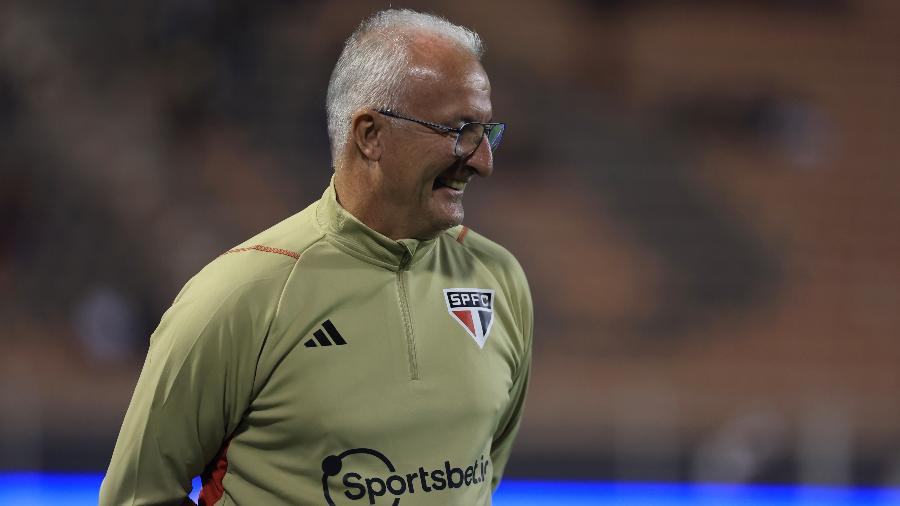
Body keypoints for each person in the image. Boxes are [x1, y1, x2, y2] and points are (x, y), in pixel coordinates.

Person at [100, 8, 532, 506]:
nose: (483, 160)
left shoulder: (499, 280)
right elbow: (137, 497)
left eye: (486, 132)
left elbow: (479, 477)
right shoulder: (240, 295)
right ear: (370, 135)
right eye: (459, 131)